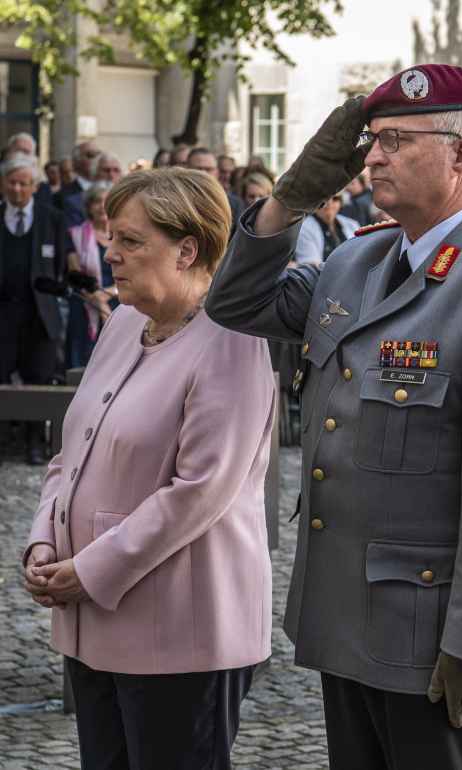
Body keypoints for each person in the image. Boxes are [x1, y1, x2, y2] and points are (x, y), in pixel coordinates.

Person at [205, 64, 462, 769]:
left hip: (436, 646)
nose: (371, 157)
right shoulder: (357, 261)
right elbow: (234, 303)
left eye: (395, 140)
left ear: (461, 155)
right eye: (371, 140)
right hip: (350, 623)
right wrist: (292, 199)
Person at [21, 168, 273, 769]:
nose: (110, 254)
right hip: (94, 619)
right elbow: (72, 449)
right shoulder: (124, 321)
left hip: (182, 633)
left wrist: (91, 568)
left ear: (186, 249)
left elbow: (200, 490)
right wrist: (43, 540)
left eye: (130, 241)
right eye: (112, 238)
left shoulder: (231, 337)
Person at [0, 154, 71, 463]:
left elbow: (62, 264)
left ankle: (33, 444)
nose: (18, 189)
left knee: (38, 378)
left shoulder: (51, 218)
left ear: (34, 186)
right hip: (3, 314)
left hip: (40, 314)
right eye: (12, 182)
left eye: (24, 183)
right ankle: (3, 442)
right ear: (3, 184)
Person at [64, 183, 116, 368]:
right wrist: (98, 300)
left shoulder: (125, 235)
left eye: (106, 201)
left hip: (120, 303)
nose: (102, 206)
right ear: (87, 207)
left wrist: (107, 294)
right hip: (85, 306)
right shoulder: (74, 235)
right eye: (96, 202)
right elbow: (75, 274)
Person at [187, 147, 246, 224]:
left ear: (217, 172)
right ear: (186, 169)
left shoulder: (234, 204)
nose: (203, 173)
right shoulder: (175, 200)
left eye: (208, 169)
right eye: (198, 169)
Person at [296, 194, 359, 265]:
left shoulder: (352, 224)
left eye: (335, 198)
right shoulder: (304, 228)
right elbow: (312, 265)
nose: (329, 203)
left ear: (341, 202)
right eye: (324, 199)